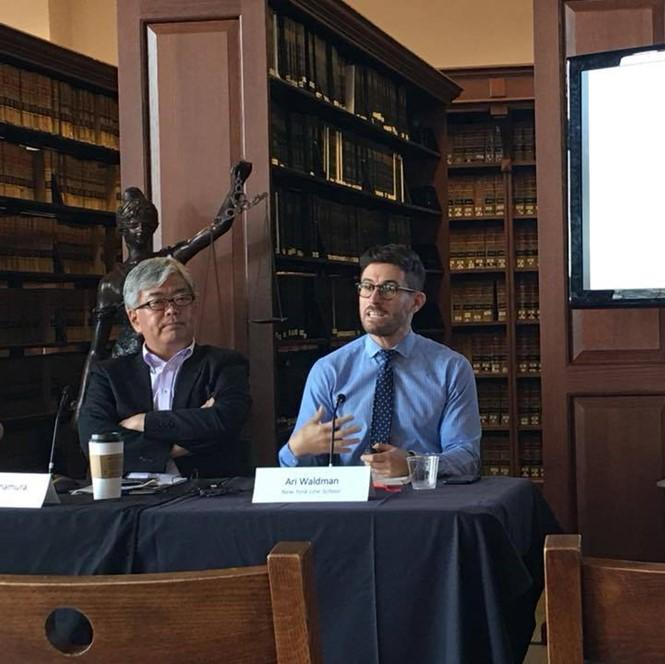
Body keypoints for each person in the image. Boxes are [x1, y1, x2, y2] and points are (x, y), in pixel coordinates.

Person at [278, 244, 481, 478]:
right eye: (367, 287)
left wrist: (414, 464)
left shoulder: (451, 369)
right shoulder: (329, 370)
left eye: (388, 289)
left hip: (422, 496)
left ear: (416, 302)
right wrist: (296, 449)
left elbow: (467, 458)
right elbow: (299, 472)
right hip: (351, 498)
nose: (373, 299)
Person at [74, 160, 257, 418]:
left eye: (146, 224)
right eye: (134, 224)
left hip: (173, 356)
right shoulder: (111, 283)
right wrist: (83, 401)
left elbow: (217, 228)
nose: (141, 230)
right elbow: (96, 348)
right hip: (128, 363)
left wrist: (237, 186)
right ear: (122, 230)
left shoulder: (167, 263)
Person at [78, 257, 251, 476]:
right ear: (134, 319)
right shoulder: (109, 375)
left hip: (208, 490)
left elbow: (225, 422)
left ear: (193, 307)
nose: (172, 310)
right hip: (129, 492)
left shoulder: (225, 364)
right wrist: (175, 447)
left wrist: (144, 422)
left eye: (181, 299)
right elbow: (95, 441)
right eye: (156, 302)